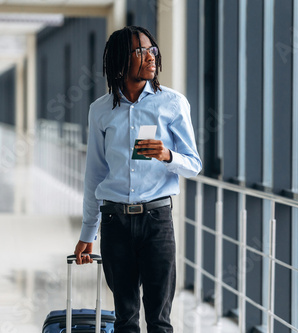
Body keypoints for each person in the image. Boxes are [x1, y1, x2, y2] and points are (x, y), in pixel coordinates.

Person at [73, 25, 202, 333]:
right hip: (114, 221)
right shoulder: (100, 111)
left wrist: (168, 155)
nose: (150, 57)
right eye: (140, 51)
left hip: (157, 220)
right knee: (125, 319)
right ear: (121, 60)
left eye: (152, 50)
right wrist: (87, 233)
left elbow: (194, 165)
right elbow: (95, 174)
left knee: (159, 320)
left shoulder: (172, 103)